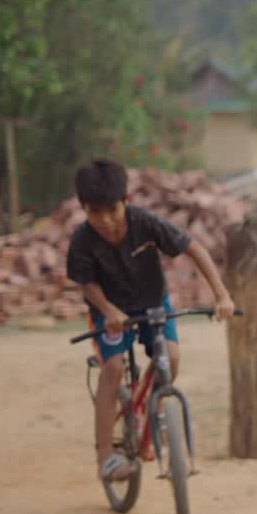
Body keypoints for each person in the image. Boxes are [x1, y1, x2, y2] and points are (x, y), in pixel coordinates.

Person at [66, 158, 235, 482]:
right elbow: (86, 284)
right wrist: (109, 310)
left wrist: (221, 295)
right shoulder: (83, 240)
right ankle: (105, 456)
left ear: (126, 202)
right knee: (113, 368)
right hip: (110, 313)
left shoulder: (145, 223)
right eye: (94, 212)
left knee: (169, 359)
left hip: (154, 305)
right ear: (84, 209)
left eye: (111, 210)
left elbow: (193, 248)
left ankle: (154, 411)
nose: (105, 220)